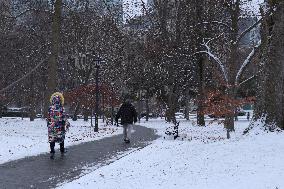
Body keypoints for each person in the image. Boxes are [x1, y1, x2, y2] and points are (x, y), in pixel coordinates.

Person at [47, 92, 70, 159]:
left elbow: (48, 117)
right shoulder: (62, 108)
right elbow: (64, 117)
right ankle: (62, 150)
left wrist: (49, 124)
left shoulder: (50, 108)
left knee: (52, 139)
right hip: (59, 127)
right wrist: (66, 123)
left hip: (51, 127)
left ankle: (52, 151)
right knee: (61, 138)